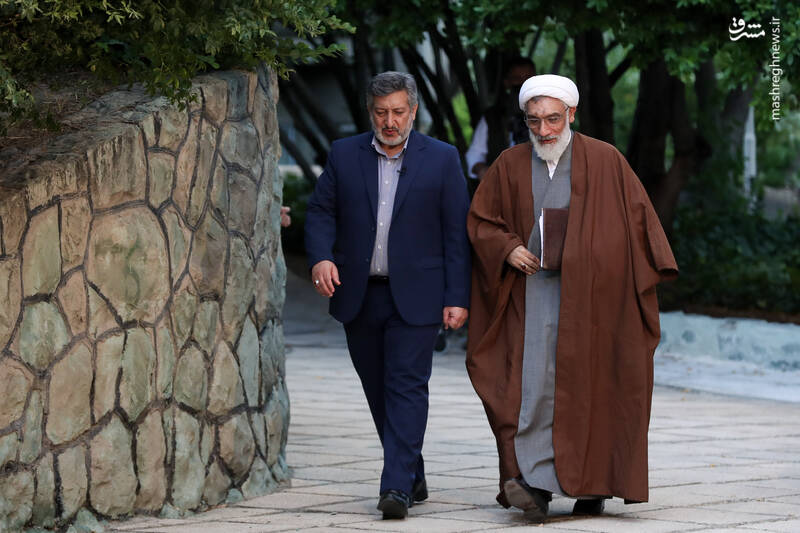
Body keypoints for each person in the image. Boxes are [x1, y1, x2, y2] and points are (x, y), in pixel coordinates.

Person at [466, 74, 678, 522]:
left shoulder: (606, 160)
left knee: (591, 388)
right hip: (529, 297)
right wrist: (508, 248)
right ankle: (533, 484)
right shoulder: (508, 163)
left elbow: (638, 229)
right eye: (534, 120)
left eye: (553, 119)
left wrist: (592, 253)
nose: (544, 130)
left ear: (572, 114)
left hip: (594, 303)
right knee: (529, 388)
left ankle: (592, 483)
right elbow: (482, 221)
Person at [305, 71, 471, 520]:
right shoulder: (344, 154)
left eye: (398, 112)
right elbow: (320, 211)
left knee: (406, 387)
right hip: (360, 295)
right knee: (378, 390)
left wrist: (458, 296)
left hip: (418, 296)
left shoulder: (442, 159)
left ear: (413, 111)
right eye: (381, 113)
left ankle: (395, 487)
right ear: (370, 112)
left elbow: (456, 233)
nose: (390, 121)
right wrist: (321, 257)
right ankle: (411, 471)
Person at [465, 57, 537, 184]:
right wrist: (482, 171)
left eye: (528, 78)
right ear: (507, 82)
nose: (523, 84)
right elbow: (474, 155)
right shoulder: (492, 117)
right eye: (517, 79)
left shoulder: (551, 114)